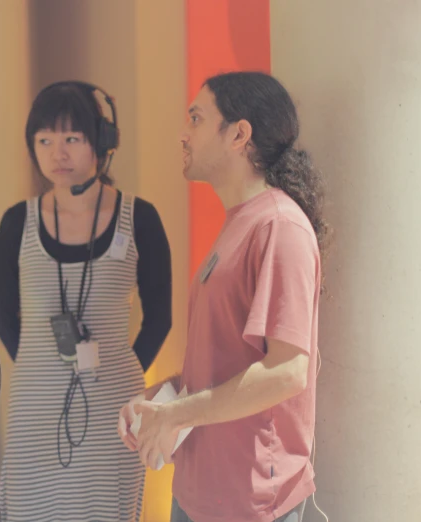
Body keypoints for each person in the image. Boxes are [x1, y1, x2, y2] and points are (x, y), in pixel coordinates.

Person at [119, 71, 329, 522]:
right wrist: (163, 400)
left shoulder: (279, 226)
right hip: (200, 493)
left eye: (196, 118)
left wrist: (176, 416)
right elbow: (228, 361)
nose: (183, 133)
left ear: (239, 134)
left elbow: (287, 372)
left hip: (247, 502)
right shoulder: (240, 223)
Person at [0, 81, 173, 522]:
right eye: (45, 140)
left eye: (72, 139)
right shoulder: (17, 222)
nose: (58, 153)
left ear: (101, 144)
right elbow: (4, 319)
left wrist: (118, 369)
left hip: (114, 403)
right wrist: (46, 366)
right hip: (35, 404)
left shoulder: (140, 217)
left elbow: (160, 318)